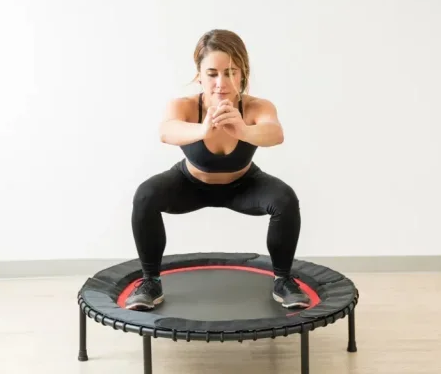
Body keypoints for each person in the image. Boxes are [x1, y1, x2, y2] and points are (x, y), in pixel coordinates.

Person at [124, 29, 310, 311]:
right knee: (145, 195)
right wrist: (202, 129)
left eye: (230, 72)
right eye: (212, 73)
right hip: (190, 185)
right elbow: (167, 131)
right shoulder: (184, 106)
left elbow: (275, 133)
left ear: (242, 74)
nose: (221, 82)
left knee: (285, 198)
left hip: (244, 185)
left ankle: (283, 280)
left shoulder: (256, 107)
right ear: (199, 74)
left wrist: (244, 130)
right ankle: (150, 281)